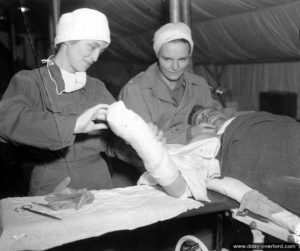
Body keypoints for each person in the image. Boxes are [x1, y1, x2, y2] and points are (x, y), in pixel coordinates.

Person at [0, 8, 141, 196]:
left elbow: (113, 142)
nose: (96, 57)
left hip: (99, 183)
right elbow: (6, 120)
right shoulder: (30, 81)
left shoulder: (96, 87)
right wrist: (74, 125)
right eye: (92, 46)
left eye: (101, 50)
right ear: (68, 40)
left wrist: (140, 140)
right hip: (54, 185)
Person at [106, 101, 300, 235]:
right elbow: (178, 186)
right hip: (252, 150)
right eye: (201, 119)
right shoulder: (198, 147)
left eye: (210, 113)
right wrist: (147, 143)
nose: (209, 119)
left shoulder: (248, 116)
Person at [119, 22, 222, 145]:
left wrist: (217, 121)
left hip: (192, 155)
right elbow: (140, 140)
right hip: (145, 161)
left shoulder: (199, 84)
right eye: (167, 59)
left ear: (189, 57)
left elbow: (213, 111)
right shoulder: (135, 90)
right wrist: (188, 134)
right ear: (157, 55)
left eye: (182, 59)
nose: (175, 67)